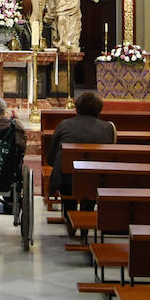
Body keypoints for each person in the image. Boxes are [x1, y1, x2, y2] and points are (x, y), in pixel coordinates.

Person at [48, 91, 117, 235]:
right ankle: (86, 222)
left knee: (69, 185)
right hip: (95, 177)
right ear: (99, 108)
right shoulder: (108, 128)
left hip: (66, 178)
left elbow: (51, 157)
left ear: (77, 107)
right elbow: (111, 156)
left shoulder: (64, 125)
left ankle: (70, 220)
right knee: (91, 185)